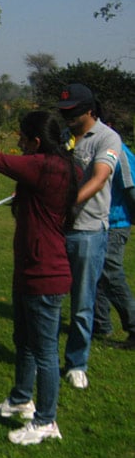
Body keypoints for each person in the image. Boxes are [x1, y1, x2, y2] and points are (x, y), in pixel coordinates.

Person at [0, 104, 80, 445]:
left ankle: (46, 421)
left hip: (46, 273)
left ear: (36, 141)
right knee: (24, 342)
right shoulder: (61, 167)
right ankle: (20, 399)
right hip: (30, 269)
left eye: (24, 140)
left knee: (44, 352)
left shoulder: (46, 166)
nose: (22, 146)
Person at [57, 83, 121, 389]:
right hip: (57, 230)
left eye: (73, 112)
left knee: (82, 303)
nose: (67, 116)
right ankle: (42, 354)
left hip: (88, 231)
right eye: (64, 111)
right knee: (50, 297)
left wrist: (67, 204)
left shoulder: (107, 138)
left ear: (90, 110)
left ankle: (77, 363)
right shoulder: (63, 136)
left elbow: (98, 178)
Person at [93, 142, 135, 348]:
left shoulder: (120, 151)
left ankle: (133, 326)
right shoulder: (93, 147)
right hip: (99, 220)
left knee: (110, 271)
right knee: (97, 273)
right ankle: (101, 324)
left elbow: (131, 186)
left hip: (117, 222)